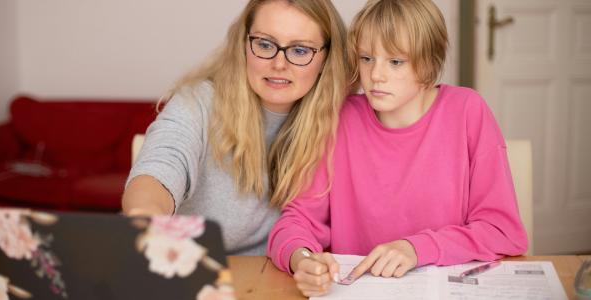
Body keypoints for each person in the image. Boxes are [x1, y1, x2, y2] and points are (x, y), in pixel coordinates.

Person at [267, 0, 528, 296]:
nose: (376, 75)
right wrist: (302, 260)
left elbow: (503, 231)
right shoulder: (340, 117)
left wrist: (417, 248)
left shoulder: (468, 111)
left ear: (429, 62)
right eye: (367, 58)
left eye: (395, 61)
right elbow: (297, 221)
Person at [122, 0, 349, 256]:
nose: (279, 63)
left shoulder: (341, 120)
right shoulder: (198, 102)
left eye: (300, 50)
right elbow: (162, 165)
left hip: (271, 279)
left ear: (326, 58)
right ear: (244, 44)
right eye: (264, 44)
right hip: (188, 269)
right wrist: (145, 215)